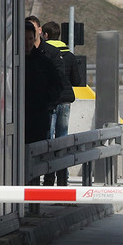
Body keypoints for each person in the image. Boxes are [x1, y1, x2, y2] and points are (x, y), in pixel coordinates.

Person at [26, 16, 66, 185]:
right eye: (24, 39)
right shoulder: (11, 62)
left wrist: (46, 104)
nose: (27, 43)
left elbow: (58, 85)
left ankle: (33, 199)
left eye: (30, 39)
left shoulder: (43, 62)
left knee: (34, 160)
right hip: (14, 123)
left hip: (38, 119)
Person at [41, 21, 82, 186]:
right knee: (62, 139)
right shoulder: (70, 56)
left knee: (48, 139)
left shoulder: (44, 53)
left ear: (46, 35)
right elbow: (77, 81)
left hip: (50, 101)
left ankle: (49, 177)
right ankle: (63, 179)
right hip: (65, 101)